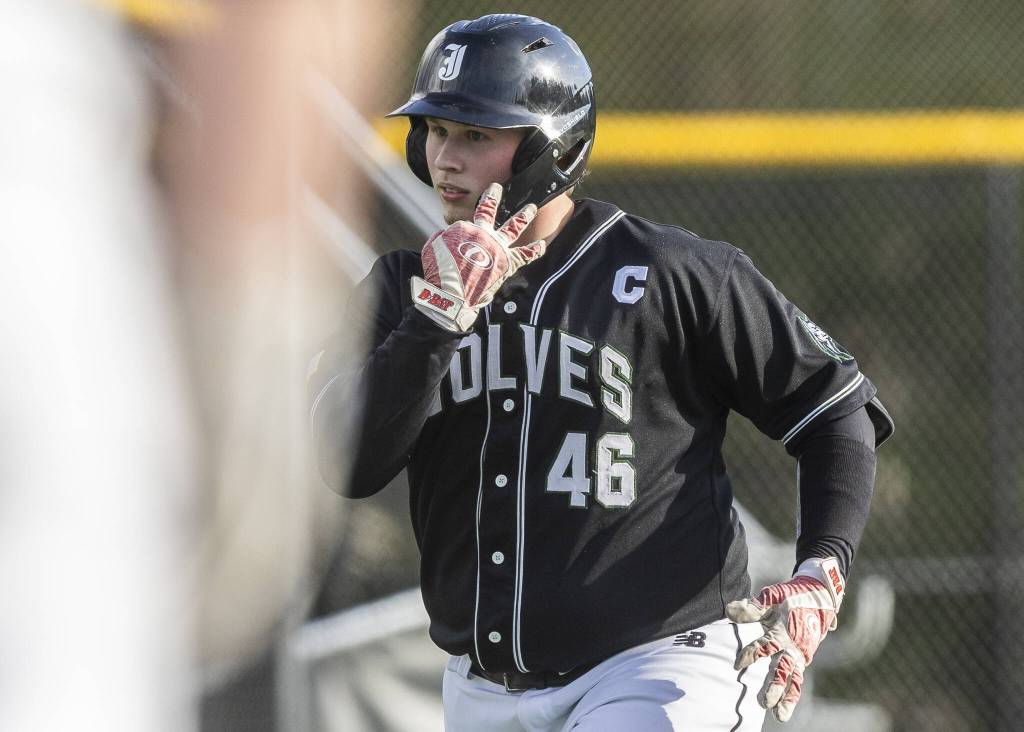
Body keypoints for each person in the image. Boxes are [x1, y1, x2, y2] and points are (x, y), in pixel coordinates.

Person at [309, 13, 893, 731]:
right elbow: (349, 463)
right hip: (481, 687)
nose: (445, 158)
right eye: (435, 130)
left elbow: (836, 409)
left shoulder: (671, 273)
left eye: (476, 135)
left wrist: (820, 571)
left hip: (658, 663)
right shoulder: (403, 290)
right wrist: (434, 324)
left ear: (549, 149)